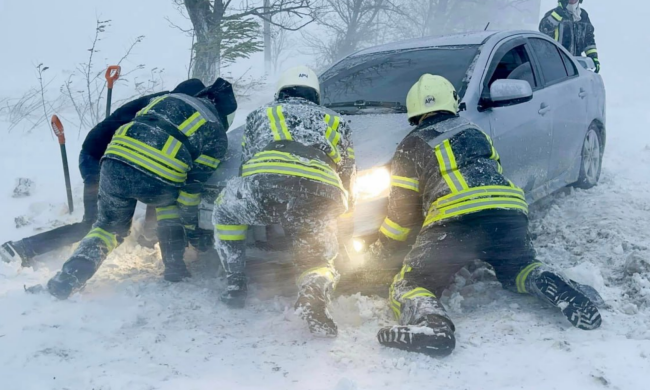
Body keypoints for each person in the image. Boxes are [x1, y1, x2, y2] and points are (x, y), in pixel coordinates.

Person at [368, 74, 602, 357]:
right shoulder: (475, 131)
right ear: (451, 102)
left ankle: (432, 326)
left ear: (414, 110)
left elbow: (401, 217)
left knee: (412, 283)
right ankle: (547, 281)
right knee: (518, 267)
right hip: (509, 212)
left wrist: (382, 249)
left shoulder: (411, 145)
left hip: (455, 221)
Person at [46, 77, 237, 299]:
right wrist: (193, 231)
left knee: (108, 227)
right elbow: (190, 192)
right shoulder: (215, 133)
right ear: (225, 116)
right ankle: (175, 268)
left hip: (113, 164)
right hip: (157, 178)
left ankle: (70, 277)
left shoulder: (165, 99)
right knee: (169, 206)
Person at [213, 66, 356, 337]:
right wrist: (342, 215)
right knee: (318, 257)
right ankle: (314, 291)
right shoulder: (338, 121)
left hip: (267, 183)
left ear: (280, 92)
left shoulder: (261, 114)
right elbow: (348, 174)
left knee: (226, 212)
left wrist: (260, 201)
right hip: (321, 191)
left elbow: (247, 163)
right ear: (315, 94)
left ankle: (235, 282)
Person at [0, 79, 206, 266]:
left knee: (158, 184)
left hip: (123, 160)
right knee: (95, 224)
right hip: (99, 160)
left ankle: (147, 237)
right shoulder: (166, 109)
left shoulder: (167, 104)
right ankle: (22, 248)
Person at [539, 0, 600, 72]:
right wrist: (558, 13)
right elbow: (544, 29)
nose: (572, 1)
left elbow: (589, 39)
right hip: (557, 65)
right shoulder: (554, 14)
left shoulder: (583, 16)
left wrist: (593, 57)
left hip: (576, 66)